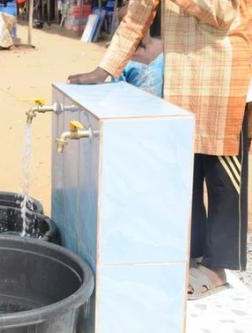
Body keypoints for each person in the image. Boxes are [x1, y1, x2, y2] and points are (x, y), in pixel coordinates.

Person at [68, 0, 251, 300]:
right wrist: (105, 69)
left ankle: (217, 269)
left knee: (222, 180)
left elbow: (224, 14)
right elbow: (135, 18)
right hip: (182, 80)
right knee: (183, 175)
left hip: (227, 76)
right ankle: (190, 254)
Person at [113, 3, 163, 97]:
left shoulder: (164, 50)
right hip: (134, 109)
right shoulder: (121, 60)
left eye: (135, 22)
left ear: (150, 20)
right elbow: (117, 94)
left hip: (167, 109)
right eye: (124, 24)